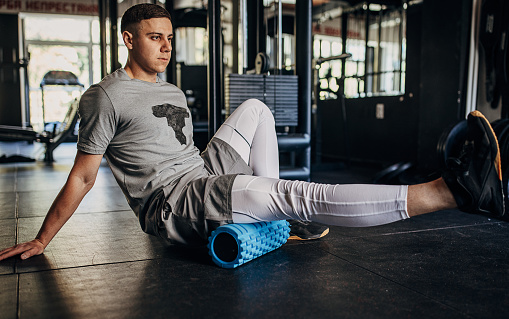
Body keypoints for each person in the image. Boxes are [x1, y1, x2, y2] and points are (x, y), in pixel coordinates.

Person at [0, 3, 504, 262]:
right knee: (298, 194)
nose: (166, 47)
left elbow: (185, 149)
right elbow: (84, 178)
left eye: (170, 39)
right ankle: (450, 191)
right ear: (127, 39)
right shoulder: (103, 97)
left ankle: (274, 215)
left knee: (258, 107)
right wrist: (43, 238)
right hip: (174, 204)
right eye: (156, 38)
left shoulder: (171, 90)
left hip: (201, 174)